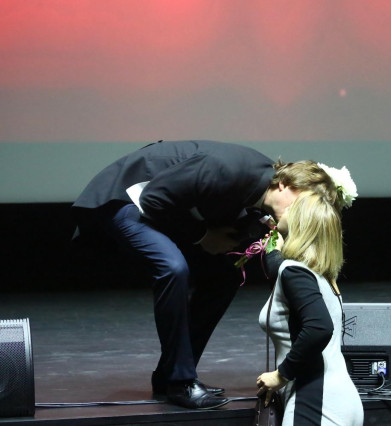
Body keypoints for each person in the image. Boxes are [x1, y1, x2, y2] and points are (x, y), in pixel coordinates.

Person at [71, 139, 338, 409]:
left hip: (157, 209)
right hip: (122, 198)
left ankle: (169, 375)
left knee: (225, 275)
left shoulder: (258, 191)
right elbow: (152, 199)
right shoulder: (229, 169)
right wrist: (203, 235)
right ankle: (180, 381)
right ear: (284, 185)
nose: (300, 214)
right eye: (300, 205)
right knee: (172, 268)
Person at [256, 189, 364, 426]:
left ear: (300, 222)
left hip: (315, 400)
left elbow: (319, 327)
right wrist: (274, 250)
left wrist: (280, 375)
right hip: (339, 397)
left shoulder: (294, 271)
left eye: (291, 208)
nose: (283, 210)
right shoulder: (321, 274)